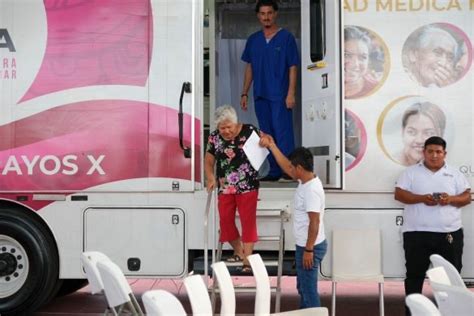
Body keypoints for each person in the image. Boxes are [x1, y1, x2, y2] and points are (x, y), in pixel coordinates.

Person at [394, 136, 471, 315]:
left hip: (449, 234)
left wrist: (450, 199)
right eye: (430, 151)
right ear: (424, 152)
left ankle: (451, 312)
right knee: (414, 277)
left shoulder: (455, 174)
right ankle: (412, 312)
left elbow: (467, 197)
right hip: (416, 234)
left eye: (438, 152)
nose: (434, 155)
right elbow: (399, 195)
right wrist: (422, 198)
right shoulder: (410, 172)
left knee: (451, 278)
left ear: (445, 153)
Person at [260, 135, 327, 308]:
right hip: (305, 245)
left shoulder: (311, 190)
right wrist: (273, 146)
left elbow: (315, 222)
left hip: (309, 246)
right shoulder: (305, 180)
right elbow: (286, 166)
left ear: (299, 168)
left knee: (308, 290)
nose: (289, 170)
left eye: (292, 167)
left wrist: (309, 250)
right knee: (303, 288)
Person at [240, 0, 299, 181]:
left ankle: (288, 171)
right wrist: (244, 92)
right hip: (261, 94)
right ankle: (273, 172)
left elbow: (293, 67)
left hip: (280, 95)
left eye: (270, 13)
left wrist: (291, 93)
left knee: (283, 133)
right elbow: (250, 67)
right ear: (258, 16)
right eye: (263, 13)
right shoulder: (253, 40)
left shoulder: (286, 38)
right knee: (266, 134)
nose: (266, 17)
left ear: (276, 14)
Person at [205, 105, 260, 272]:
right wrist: (210, 177)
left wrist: (265, 141)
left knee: (247, 221)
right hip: (225, 186)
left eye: (229, 127)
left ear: (235, 123)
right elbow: (208, 160)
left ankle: (247, 260)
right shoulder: (214, 137)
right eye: (222, 128)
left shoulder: (249, 131)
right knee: (225, 220)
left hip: (247, 185)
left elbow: (264, 144)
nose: (226, 131)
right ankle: (239, 251)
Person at [395, 102, 446, 166]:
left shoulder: (450, 170)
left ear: (440, 135)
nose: (419, 140)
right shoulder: (389, 165)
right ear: (402, 132)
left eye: (428, 133)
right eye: (411, 132)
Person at [344, 26, 379, 99]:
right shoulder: (322, 87)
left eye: (362, 57)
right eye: (346, 55)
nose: (355, 64)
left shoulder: (375, 88)